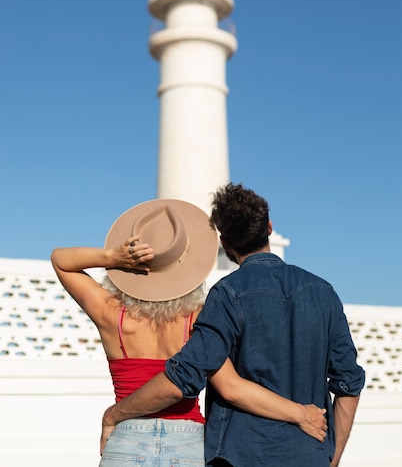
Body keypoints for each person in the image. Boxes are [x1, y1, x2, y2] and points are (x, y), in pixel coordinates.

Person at [101, 185, 365, 467]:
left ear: (225, 243)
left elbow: (184, 379)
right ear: (270, 228)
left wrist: (115, 414)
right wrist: (331, 457)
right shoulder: (323, 292)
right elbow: (349, 383)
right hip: (308, 455)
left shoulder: (227, 294)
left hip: (241, 456)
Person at [51, 197, 327, 467]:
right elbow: (232, 389)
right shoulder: (199, 319)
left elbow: (60, 260)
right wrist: (300, 413)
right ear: (187, 265)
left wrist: (112, 256)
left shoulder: (111, 314)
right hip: (188, 444)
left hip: (126, 439)